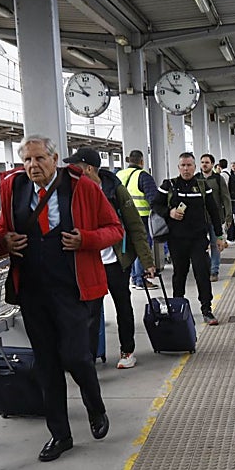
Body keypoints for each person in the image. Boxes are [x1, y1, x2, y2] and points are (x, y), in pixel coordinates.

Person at [0, 135, 122, 462]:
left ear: (55, 158)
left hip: (73, 288)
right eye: (27, 161)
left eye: (39, 159)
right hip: (33, 290)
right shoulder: (13, 189)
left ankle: (95, 407)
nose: (32, 166)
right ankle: (60, 435)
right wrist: (5, 240)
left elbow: (114, 228)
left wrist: (86, 240)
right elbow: (2, 233)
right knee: (46, 364)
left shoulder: (83, 187)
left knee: (77, 356)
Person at [66, 148, 156, 370]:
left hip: (116, 260)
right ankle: (87, 359)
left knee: (122, 304)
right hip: (89, 262)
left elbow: (135, 226)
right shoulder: (71, 191)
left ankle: (127, 350)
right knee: (90, 312)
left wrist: (147, 262)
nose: (71, 171)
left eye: (76, 167)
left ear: (88, 169)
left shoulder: (115, 189)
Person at [150, 152, 226, 326]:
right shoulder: (169, 185)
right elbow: (155, 204)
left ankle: (206, 309)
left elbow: (214, 212)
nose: (186, 169)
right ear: (178, 167)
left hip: (199, 239)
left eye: (189, 165)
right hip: (177, 240)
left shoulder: (202, 186)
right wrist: (168, 212)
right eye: (183, 165)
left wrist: (219, 236)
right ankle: (178, 307)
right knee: (179, 274)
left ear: (195, 167)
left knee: (202, 273)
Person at [118, 149, 161, 283]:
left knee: (127, 247)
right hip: (141, 217)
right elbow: (153, 199)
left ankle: (133, 277)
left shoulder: (119, 174)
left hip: (120, 218)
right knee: (142, 246)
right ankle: (139, 278)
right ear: (142, 161)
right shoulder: (143, 176)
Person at [198, 154, 230, 281]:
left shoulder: (218, 179)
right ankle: (203, 267)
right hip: (199, 219)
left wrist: (228, 216)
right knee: (199, 245)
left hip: (215, 218)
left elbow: (226, 198)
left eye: (207, 162)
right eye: (202, 162)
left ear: (212, 164)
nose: (204, 164)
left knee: (215, 244)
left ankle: (214, 271)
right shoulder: (196, 179)